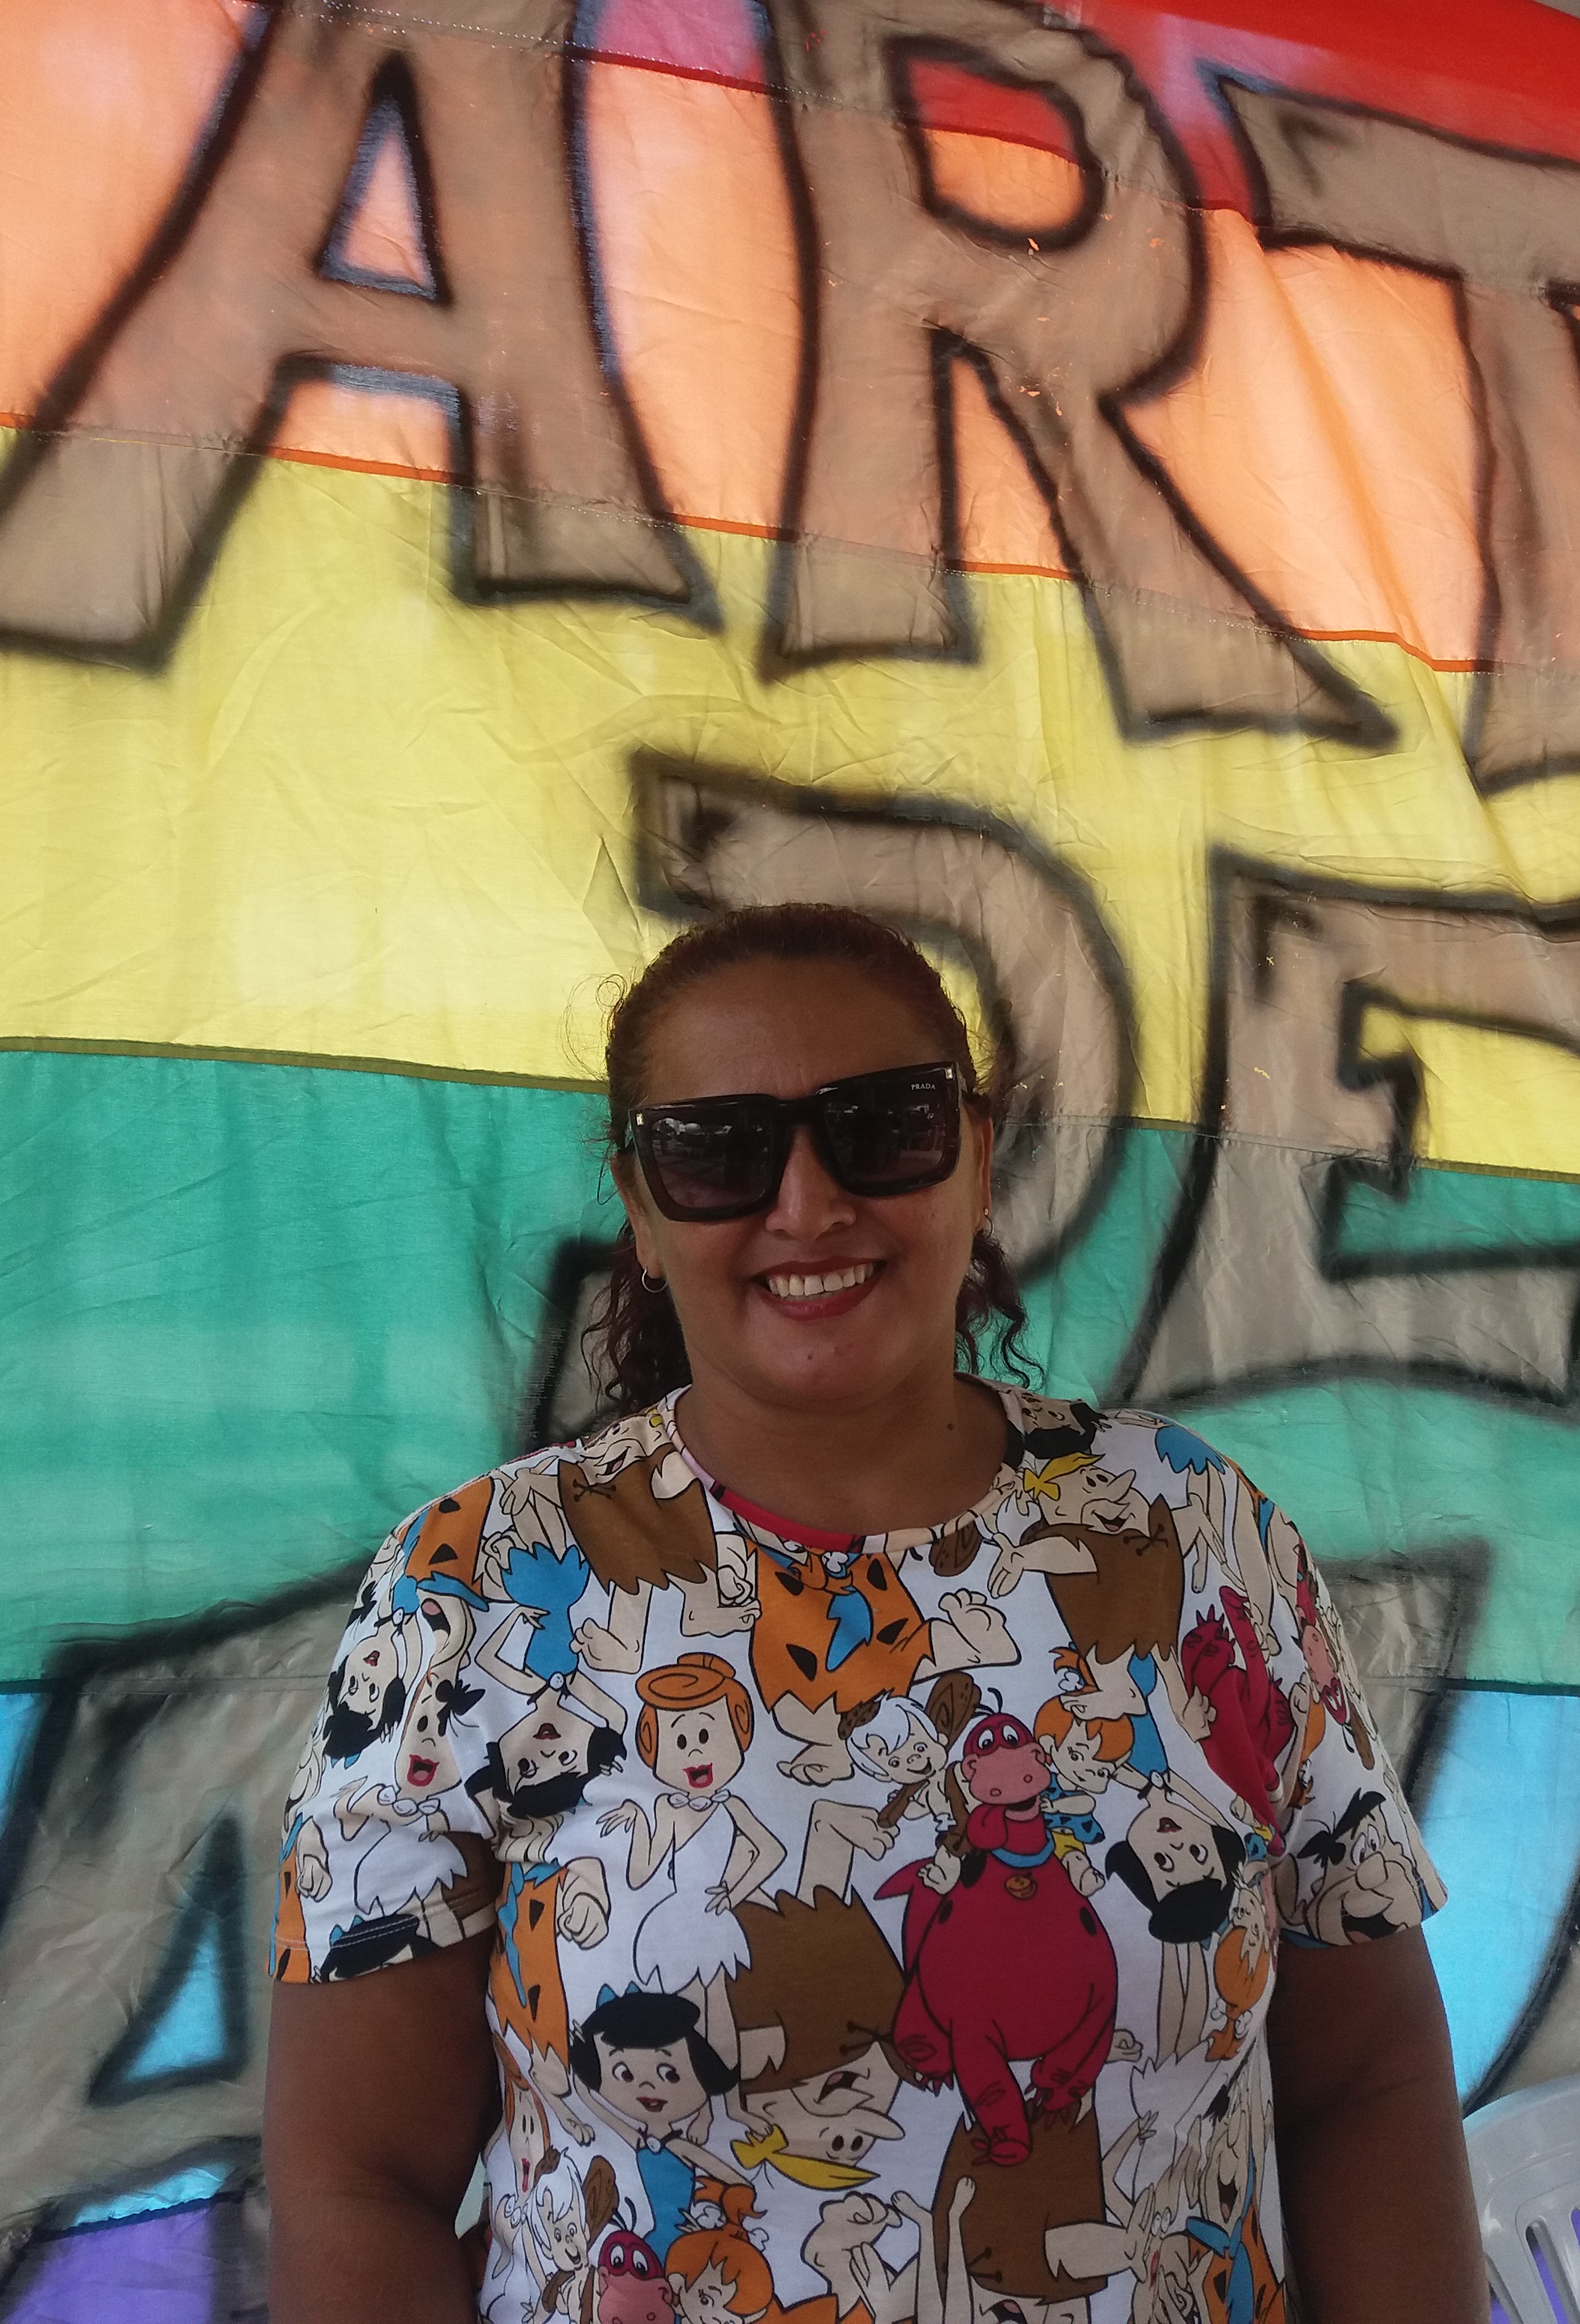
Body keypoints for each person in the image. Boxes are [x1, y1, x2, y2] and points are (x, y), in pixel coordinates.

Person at [265, 903, 1482, 2324]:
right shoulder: (469, 1587)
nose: (807, 1203)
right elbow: (359, 2181)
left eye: (882, 1127)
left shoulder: (1194, 1532)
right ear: (642, 1210)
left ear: (977, 1157)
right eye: (717, 1150)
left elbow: (1369, 2082)